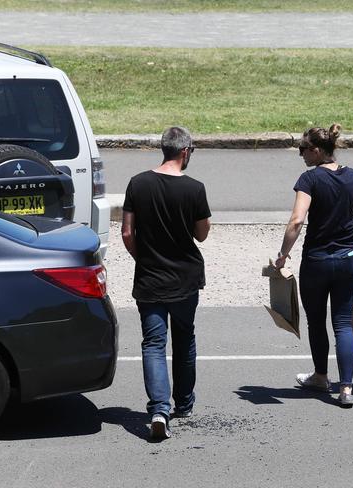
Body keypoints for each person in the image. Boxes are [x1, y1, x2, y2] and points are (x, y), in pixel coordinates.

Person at [274, 124, 353, 408]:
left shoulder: (309, 179)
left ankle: (321, 377)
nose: (301, 155)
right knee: (342, 323)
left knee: (316, 321)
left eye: (303, 150)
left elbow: (298, 220)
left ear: (316, 151)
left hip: (317, 261)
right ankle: (346, 387)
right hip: (350, 261)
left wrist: (283, 254)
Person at [121, 126, 211, 440]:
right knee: (184, 340)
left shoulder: (137, 183)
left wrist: (143, 259)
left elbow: (127, 234)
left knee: (154, 344)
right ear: (185, 151)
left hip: (150, 278)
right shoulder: (195, 189)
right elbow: (201, 234)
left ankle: (159, 409)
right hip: (185, 277)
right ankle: (183, 403)